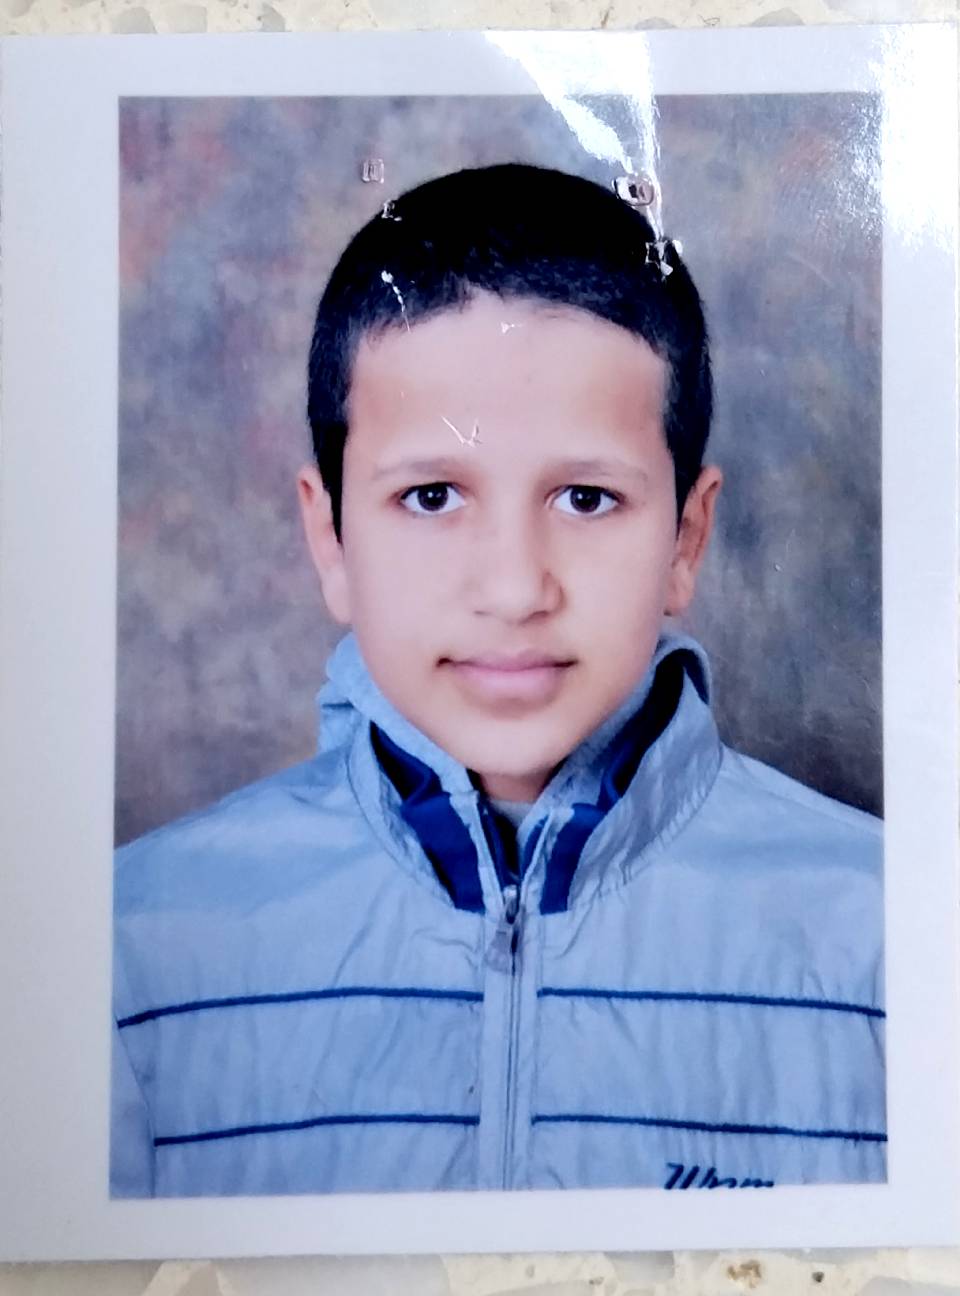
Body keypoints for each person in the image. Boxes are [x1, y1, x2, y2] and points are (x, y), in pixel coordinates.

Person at [111, 163, 885, 1198]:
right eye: (432, 496)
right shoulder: (128, 954)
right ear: (330, 537)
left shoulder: (896, 942)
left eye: (586, 498)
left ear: (686, 538)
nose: (516, 590)